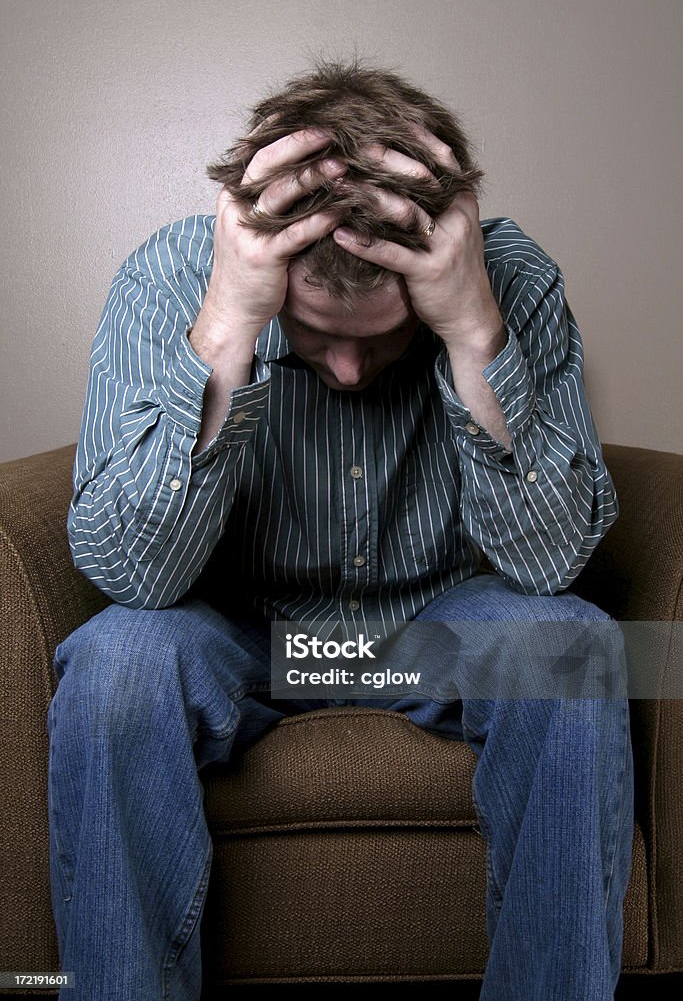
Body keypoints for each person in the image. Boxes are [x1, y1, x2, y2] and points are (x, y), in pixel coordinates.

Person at [47, 61, 634, 1000]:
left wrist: (473, 334)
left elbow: (552, 562)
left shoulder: (507, 278)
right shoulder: (173, 275)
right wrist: (229, 327)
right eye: (318, 337)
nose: (353, 372)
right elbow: (134, 576)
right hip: (247, 636)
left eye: (388, 336)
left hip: (429, 634)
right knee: (117, 656)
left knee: (580, 648)